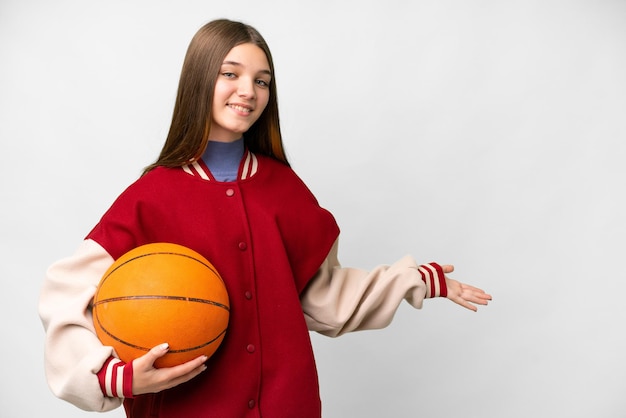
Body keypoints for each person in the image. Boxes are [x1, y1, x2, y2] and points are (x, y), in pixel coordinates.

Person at [38, 18, 492, 418]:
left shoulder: (286, 190)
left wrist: (416, 280)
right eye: (230, 74)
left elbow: (324, 297)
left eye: (262, 81)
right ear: (199, 81)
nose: (248, 91)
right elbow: (66, 293)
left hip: (288, 406)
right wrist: (113, 377)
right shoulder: (151, 197)